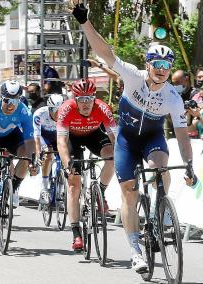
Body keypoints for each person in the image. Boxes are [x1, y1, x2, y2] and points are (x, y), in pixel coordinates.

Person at [71, 2, 196, 273]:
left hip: (152, 139)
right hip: (126, 141)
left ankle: (158, 214)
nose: (162, 69)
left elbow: (183, 134)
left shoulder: (173, 97)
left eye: (167, 64)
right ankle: (135, 249)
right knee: (129, 192)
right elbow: (105, 52)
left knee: (161, 168)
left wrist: (189, 164)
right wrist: (84, 22)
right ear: (148, 65)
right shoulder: (133, 76)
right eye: (157, 63)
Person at [57, 78, 116, 251]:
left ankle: (100, 193)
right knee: (74, 185)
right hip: (72, 139)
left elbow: (115, 137)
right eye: (81, 99)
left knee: (112, 157)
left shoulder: (103, 108)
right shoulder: (66, 109)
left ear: (94, 98)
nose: (86, 103)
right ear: (74, 99)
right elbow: (61, 141)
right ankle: (76, 233)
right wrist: (67, 164)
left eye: (89, 98)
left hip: (94, 135)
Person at [0, 80, 36, 239]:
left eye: (15, 101)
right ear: (0, 97)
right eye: (7, 100)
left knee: (25, 154)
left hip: (11, 136)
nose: (11, 105)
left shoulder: (24, 111)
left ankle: (13, 186)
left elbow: (30, 140)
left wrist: (33, 161)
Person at [33, 93, 64, 202]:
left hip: (57, 135)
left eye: (60, 110)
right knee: (48, 153)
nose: (58, 113)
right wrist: (38, 152)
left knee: (65, 156)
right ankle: (44, 188)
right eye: (55, 110)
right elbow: (36, 136)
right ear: (49, 108)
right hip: (43, 136)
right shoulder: (39, 114)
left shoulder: (65, 114)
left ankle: (61, 190)